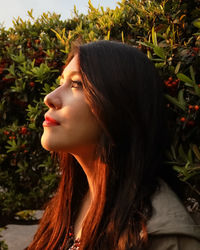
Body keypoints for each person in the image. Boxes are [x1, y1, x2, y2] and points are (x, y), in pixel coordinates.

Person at [28, 40, 200, 250]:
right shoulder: (67, 204)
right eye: (61, 82)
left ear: (119, 107)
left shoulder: (160, 237)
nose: (50, 98)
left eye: (77, 84)